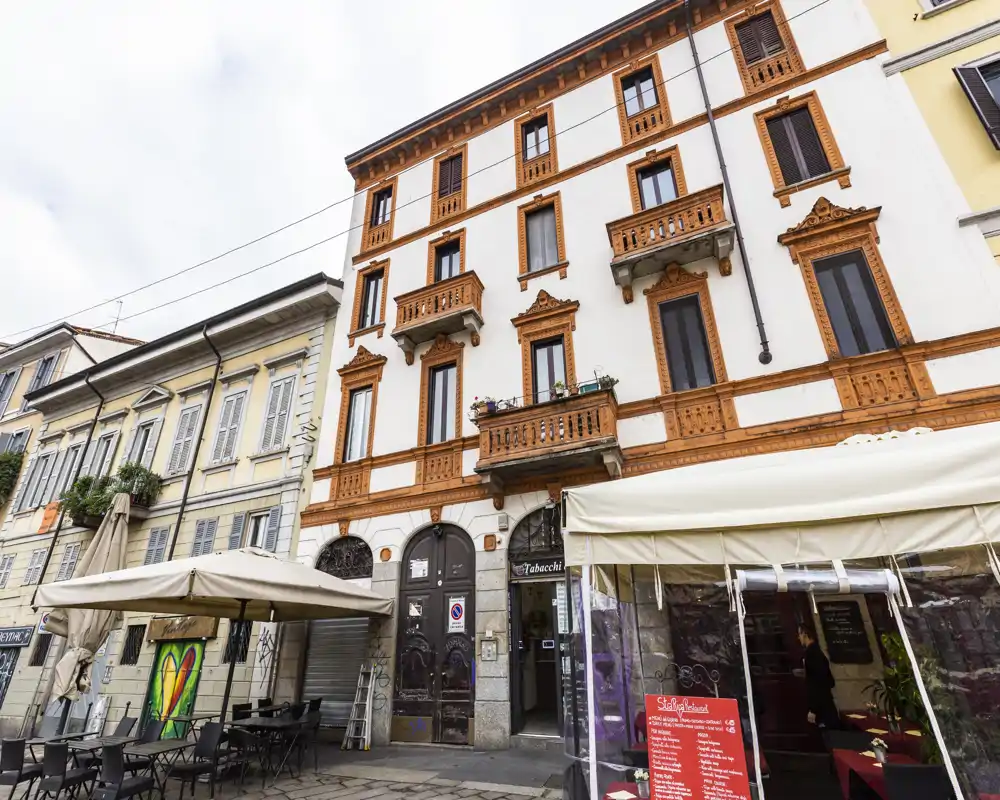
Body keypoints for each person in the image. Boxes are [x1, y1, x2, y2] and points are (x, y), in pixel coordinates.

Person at [798, 625, 839, 728]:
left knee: (827, 733)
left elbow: (818, 682)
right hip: (825, 704)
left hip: (822, 708)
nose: (799, 638)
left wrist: (813, 709)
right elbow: (829, 681)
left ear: (805, 634)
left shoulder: (812, 653)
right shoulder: (816, 651)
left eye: (799, 634)